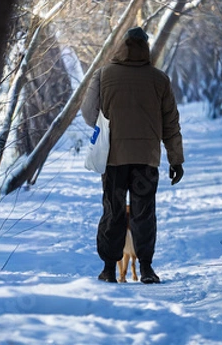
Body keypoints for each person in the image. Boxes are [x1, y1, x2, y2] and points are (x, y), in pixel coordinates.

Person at [81, 26, 184, 284]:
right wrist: (176, 159)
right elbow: (171, 122)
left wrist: (106, 124)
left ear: (121, 46)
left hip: (113, 158)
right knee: (143, 212)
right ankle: (146, 268)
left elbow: (87, 112)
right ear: (146, 48)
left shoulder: (103, 75)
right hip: (146, 159)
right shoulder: (159, 79)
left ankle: (108, 269)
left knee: (113, 210)